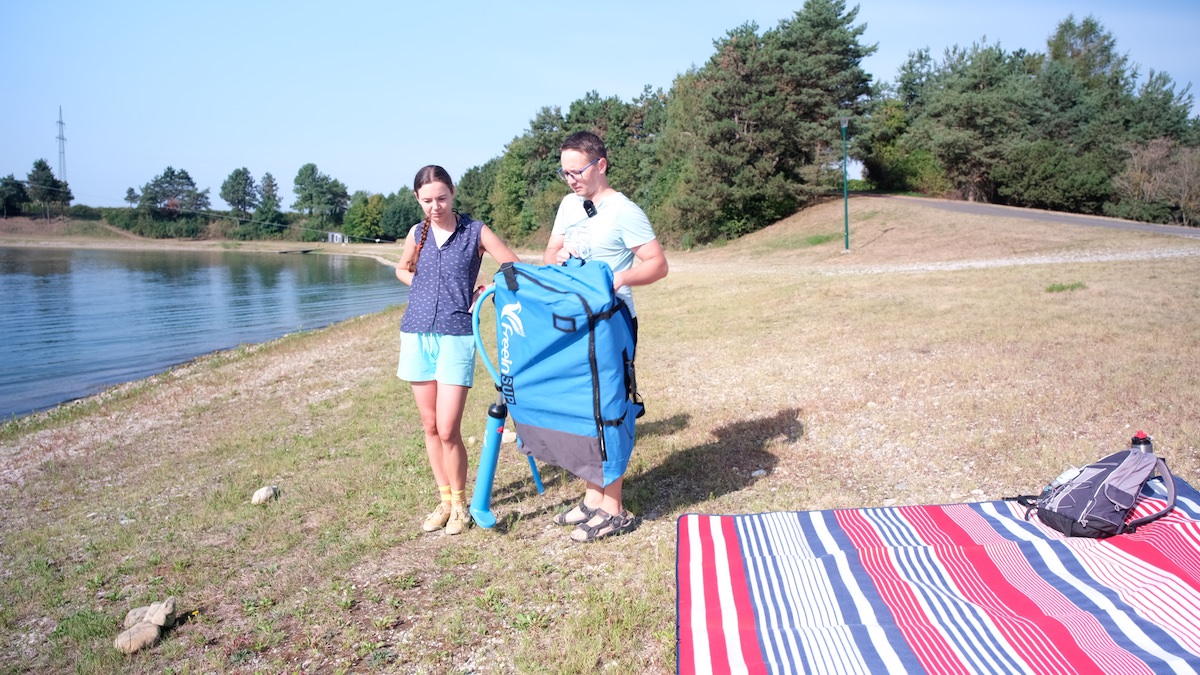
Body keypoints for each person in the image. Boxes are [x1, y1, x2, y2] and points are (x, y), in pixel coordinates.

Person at [543, 131, 669, 543]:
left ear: (601, 164)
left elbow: (657, 264)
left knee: (608, 408)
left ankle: (614, 508)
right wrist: (558, 259)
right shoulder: (568, 205)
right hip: (575, 320)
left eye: (576, 171)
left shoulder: (623, 211)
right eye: (564, 173)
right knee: (583, 408)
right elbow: (550, 254)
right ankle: (592, 497)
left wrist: (616, 278)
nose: (571, 180)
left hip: (612, 320)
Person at [396, 165, 520, 535]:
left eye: (442, 198)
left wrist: (489, 289)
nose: (435, 207)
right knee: (430, 425)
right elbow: (403, 269)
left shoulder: (474, 231)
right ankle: (445, 500)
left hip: (456, 334)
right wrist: (421, 281)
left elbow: (513, 266)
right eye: (427, 200)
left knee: (449, 428)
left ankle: (462, 505)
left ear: (453, 193)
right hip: (416, 334)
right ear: (418, 199)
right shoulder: (416, 233)